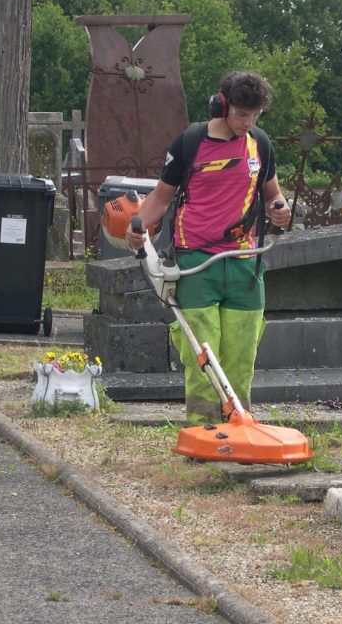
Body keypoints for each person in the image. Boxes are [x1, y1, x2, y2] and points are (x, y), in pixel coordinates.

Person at [125, 70, 292, 424]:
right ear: (222, 105)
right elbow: (160, 198)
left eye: (254, 116)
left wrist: (280, 209)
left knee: (241, 353)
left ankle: (239, 424)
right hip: (196, 261)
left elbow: (273, 193)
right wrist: (137, 228)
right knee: (203, 352)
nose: (248, 122)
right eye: (241, 114)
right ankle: (202, 429)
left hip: (246, 262)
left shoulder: (259, 144)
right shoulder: (191, 142)